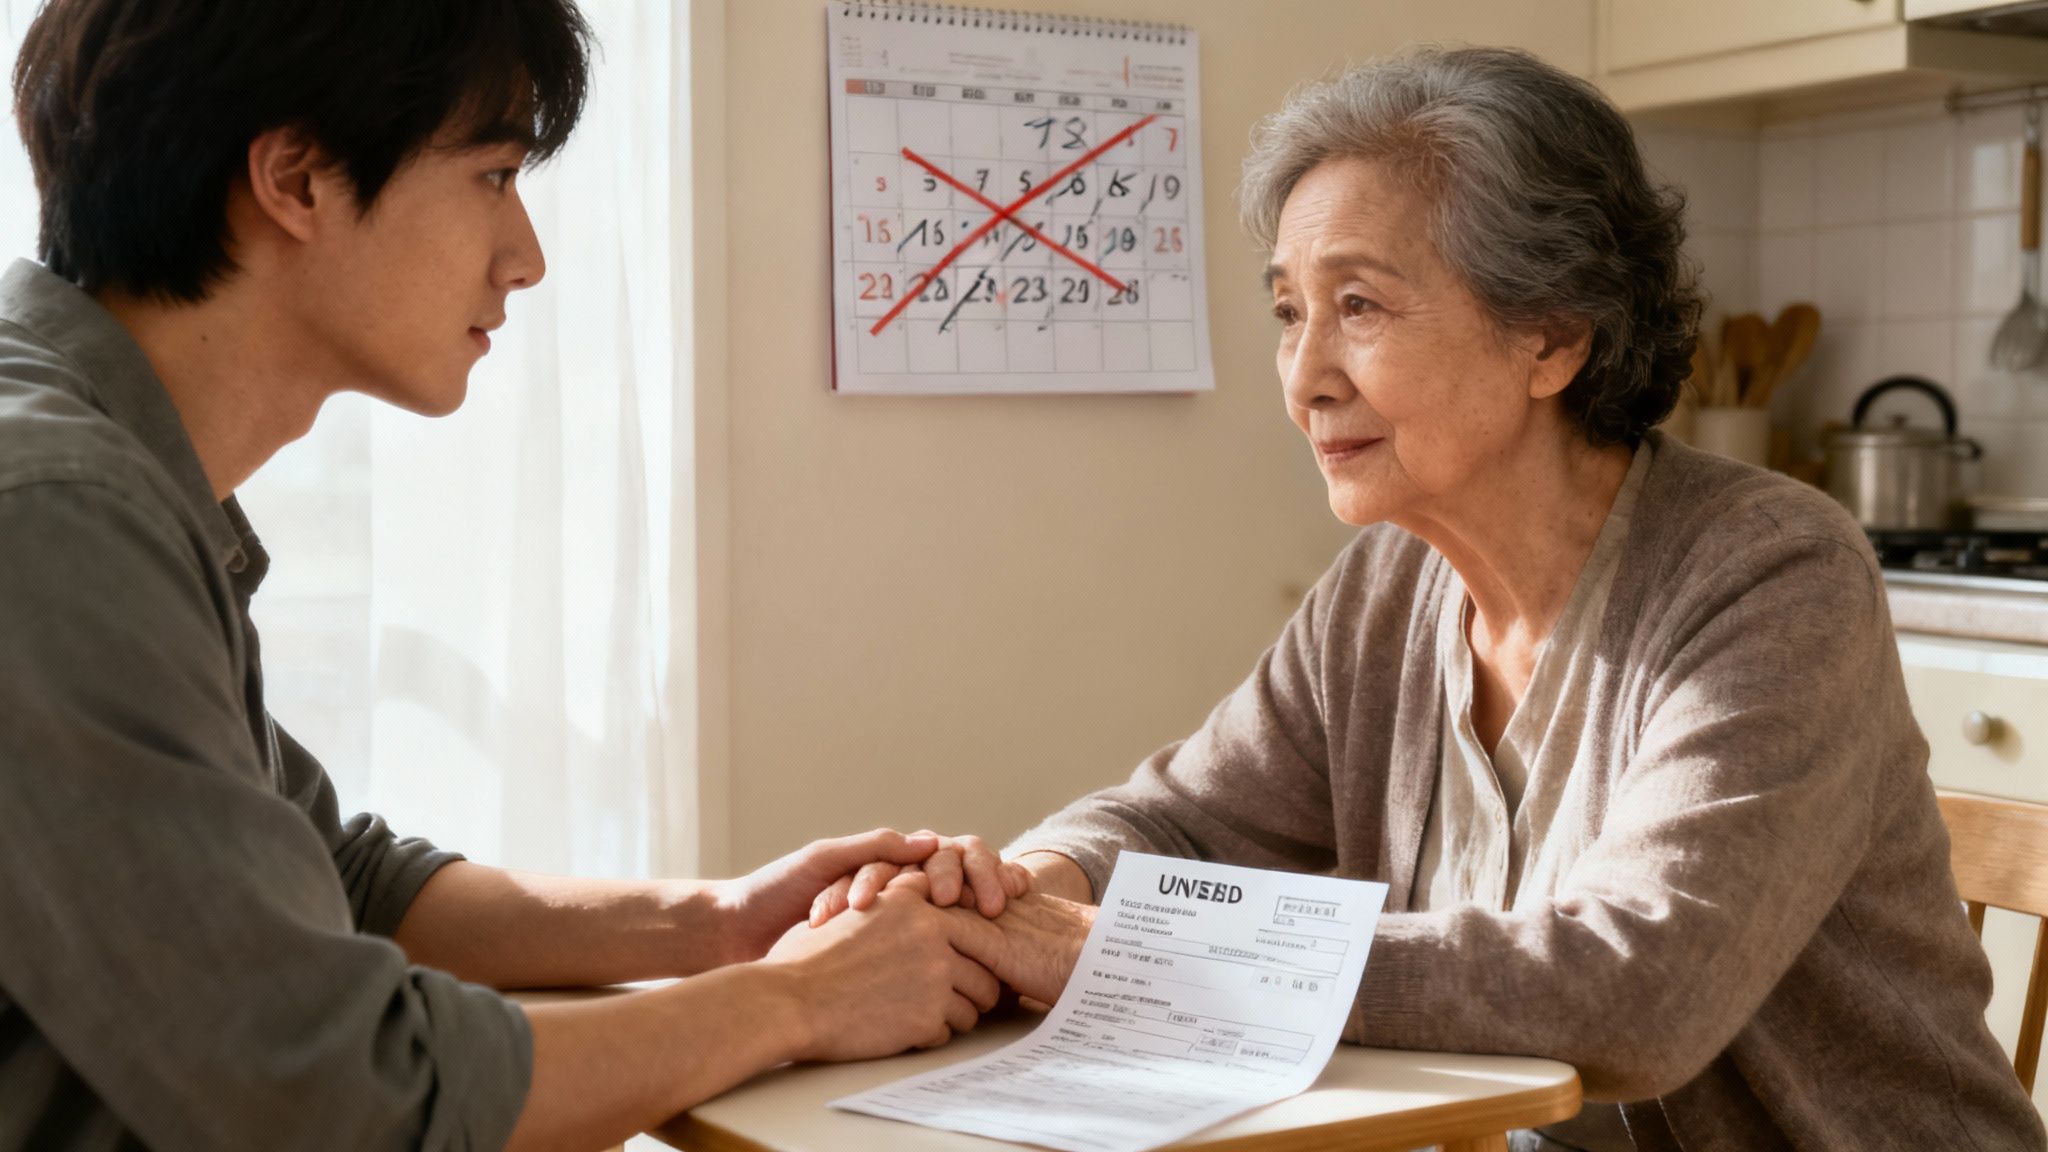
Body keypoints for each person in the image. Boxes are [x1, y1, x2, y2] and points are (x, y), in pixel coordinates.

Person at [816, 47, 2048, 1150]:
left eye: (1357, 306)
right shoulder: (1388, 589)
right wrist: (1015, 889)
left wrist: (1130, 950)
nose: (1303, 379)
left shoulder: (1771, 575)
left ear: (1550, 339)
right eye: (1289, 312)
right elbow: (1182, 823)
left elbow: (1634, 993)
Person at [0, 2, 1030, 1150]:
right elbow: (329, 1088)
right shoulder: (50, 513)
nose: (526, 257)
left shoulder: (103, 471)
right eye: (493, 174)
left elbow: (345, 880)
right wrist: (798, 1001)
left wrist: (722, 922)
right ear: (296, 180)